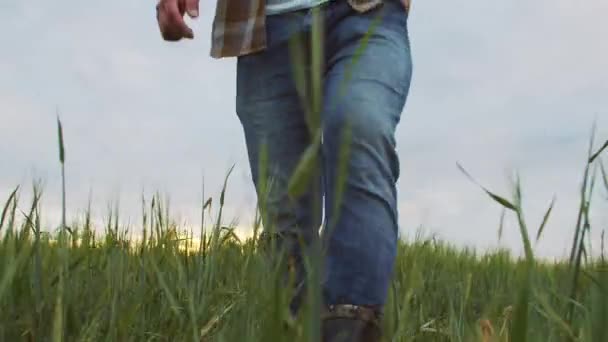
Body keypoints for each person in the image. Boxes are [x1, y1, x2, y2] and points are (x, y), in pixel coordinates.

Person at [156, 0, 412, 340]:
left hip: (366, 12)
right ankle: (297, 330)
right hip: (264, 28)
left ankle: (352, 329)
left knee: (358, 126)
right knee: (285, 216)